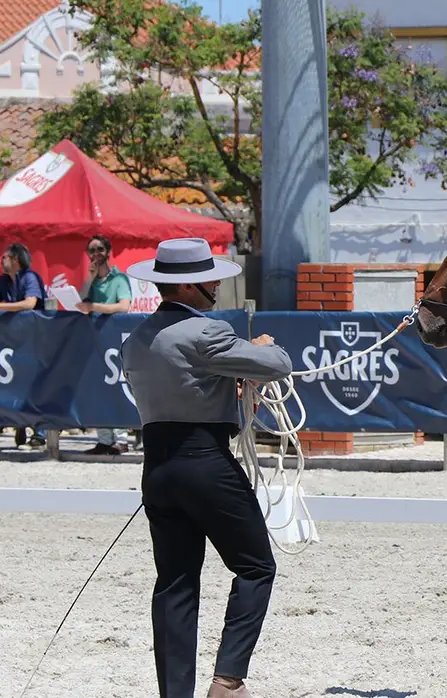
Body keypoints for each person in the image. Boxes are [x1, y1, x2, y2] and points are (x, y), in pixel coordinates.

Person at [122, 237, 293, 698]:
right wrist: (257, 348)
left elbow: (183, 385)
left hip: (157, 466)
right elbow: (278, 364)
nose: (216, 283)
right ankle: (227, 681)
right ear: (193, 285)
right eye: (209, 277)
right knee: (256, 566)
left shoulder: (135, 340)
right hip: (204, 461)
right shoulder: (208, 332)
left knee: (175, 583)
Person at [0, 242, 48, 448]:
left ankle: (40, 432)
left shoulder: (30, 277)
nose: (2, 261)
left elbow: (30, 303)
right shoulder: (2, 280)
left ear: (15, 259)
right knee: (17, 385)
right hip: (13, 344)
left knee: (37, 387)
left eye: (5, 257)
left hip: (36, 342)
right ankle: (20, 425)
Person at [77, 235, 134, 455]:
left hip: (114, 341)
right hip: (94, 341)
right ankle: (103, 438)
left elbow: (123, 307)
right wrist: (89, 280)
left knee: (116, 388)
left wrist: (94, 307)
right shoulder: (93, 281)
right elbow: (81, 301)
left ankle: (121, 439)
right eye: (91, 250)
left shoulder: (119, 278)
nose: (96, 254)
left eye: (100, 249)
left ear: (108, 251)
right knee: (98, 388)